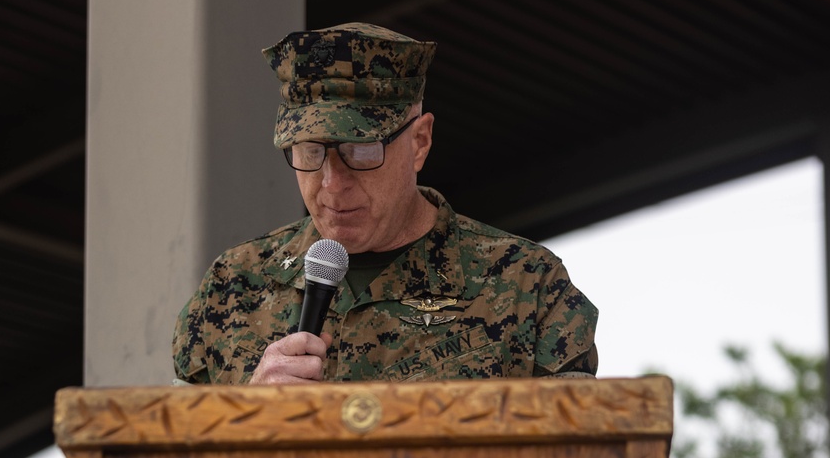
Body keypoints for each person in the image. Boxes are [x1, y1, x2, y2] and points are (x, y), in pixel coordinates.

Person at [174, 23, 597, 388]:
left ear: (420, 142)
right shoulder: (232, 290)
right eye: (309, 152)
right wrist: (240, 416)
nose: (333, 185)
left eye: (359, 152)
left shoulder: (526, 286)